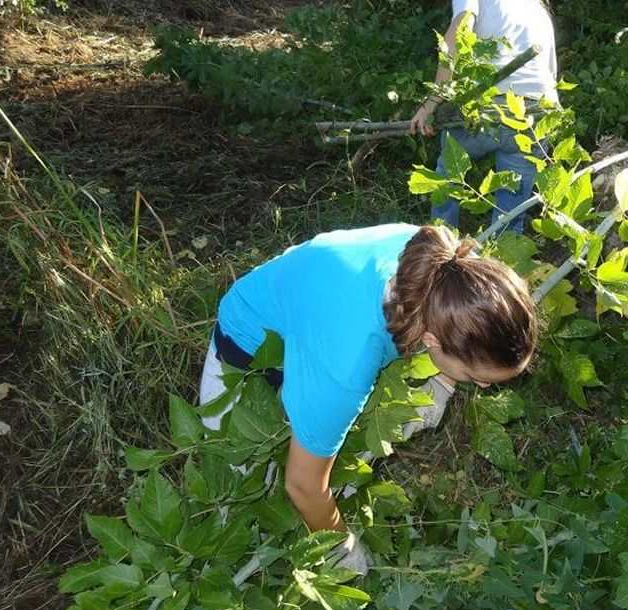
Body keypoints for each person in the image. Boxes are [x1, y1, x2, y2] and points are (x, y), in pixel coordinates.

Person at [197, 223, 539, 574]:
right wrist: (341, 550)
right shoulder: (347, 367)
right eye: (473, 378)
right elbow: (303, 485)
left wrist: (445, 378)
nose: (481, 388)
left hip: (315, 314)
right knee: (236, 484)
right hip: (249, 350)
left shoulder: (454, 272)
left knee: (316, 450)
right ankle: (226, 567)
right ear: (434, 339)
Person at [409, 0, 559, 233]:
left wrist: (432, 102)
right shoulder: (536, 8)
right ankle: (501, 260)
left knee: (447, 182)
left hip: (487, 109)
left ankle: (437, 251)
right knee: (511, 214)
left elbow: (459, 31)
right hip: (537, 116)